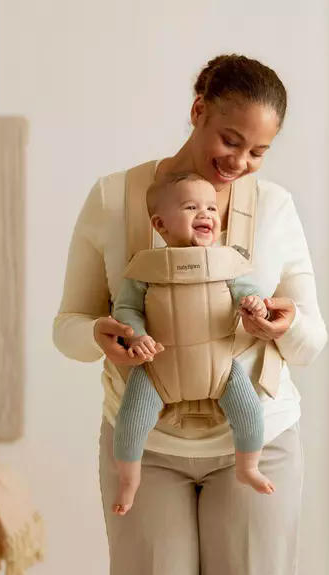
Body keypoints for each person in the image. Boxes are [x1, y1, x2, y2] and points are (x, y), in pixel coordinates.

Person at [53, 54, 328, 575]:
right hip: (144, 446)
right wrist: (98, 334)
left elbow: (310, 341)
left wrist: (285, 323)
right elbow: (68, 327)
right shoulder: (112, 199)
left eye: (258, 152)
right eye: (231, 140)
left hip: (259, 436)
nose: (241, 162)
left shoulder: (274, 207)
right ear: (198, 110)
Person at [111, 171, 276, 515]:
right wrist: (136, 335)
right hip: (157, 368)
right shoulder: (144, 268)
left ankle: (248, 466)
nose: (206, 214)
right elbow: (126, 309)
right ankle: (129, 480)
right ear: (160, 224)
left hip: (221, 368)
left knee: (250, 413)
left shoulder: (227, 263)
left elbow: (248, 292)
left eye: (212, 208)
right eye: (191, 207)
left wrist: (255, 304)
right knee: (129, 422)